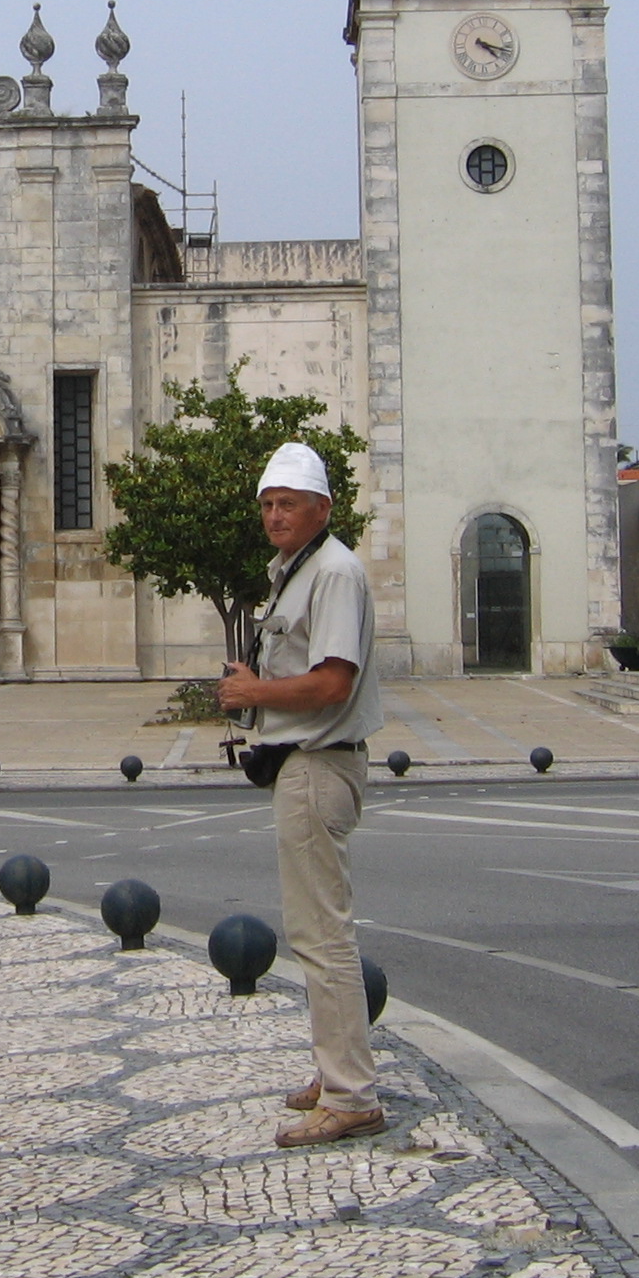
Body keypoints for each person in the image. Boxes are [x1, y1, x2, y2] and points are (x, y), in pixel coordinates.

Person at [213, 440, 385, 1149]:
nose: (276, 515)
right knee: (313, 932)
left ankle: (351, 1094)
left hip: (318, 763)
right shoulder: (296, 571)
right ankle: (333, 1068)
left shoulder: (336, 573)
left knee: (323, 935)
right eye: (269, 504)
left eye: (289, 504)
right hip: (298, 763)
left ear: (323, 508)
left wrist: (256, 690)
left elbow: (332, 683)